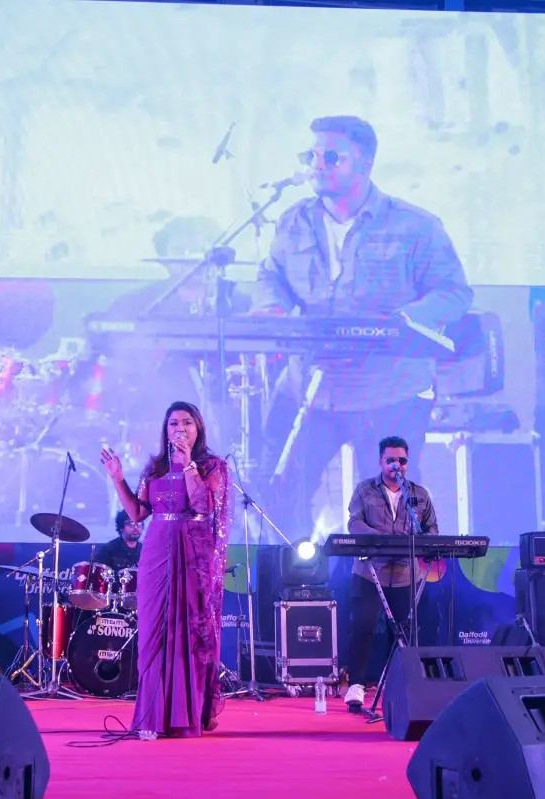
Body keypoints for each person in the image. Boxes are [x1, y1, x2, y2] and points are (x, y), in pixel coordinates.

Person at [252, 115, 472, 536]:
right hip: (309, 386)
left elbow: (454, 293)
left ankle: (395, 575)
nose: (317, 165)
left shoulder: (415, 225)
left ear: (366, 163)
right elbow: (271, 276)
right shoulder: (293, 221)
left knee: (393, 510)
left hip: (388, 390)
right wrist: (273, 307)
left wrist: (404, 322)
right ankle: (295, 573)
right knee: (280, 493)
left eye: (331, 156)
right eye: (310, 156)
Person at [99, 402, 231, 739]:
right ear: (166, 429)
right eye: (174, 423)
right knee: (153, 630)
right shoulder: (154, 467)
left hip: (192, 552)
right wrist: (117, 479)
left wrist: (187, 465)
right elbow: (138, 513)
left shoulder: (212, 466)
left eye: (187, 423)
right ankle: (152, 716)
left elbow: (203, 506)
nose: (180, 429)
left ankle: (185, 716)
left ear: (198, 428)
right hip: (157, 549)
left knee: (187, 631)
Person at [343, 436, 440, 712]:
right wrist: (384, 540)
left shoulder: (419, 495)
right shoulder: (365, 490)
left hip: (406, 574)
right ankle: (356, 685)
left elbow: (432, 529)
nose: (396, 465)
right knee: (362, 628)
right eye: (391, 460)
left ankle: (399, 685)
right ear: (380, 462)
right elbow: (354, 523)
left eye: (402, 461)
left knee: (404, 633)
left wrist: (422, 542)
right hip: (370, 572)